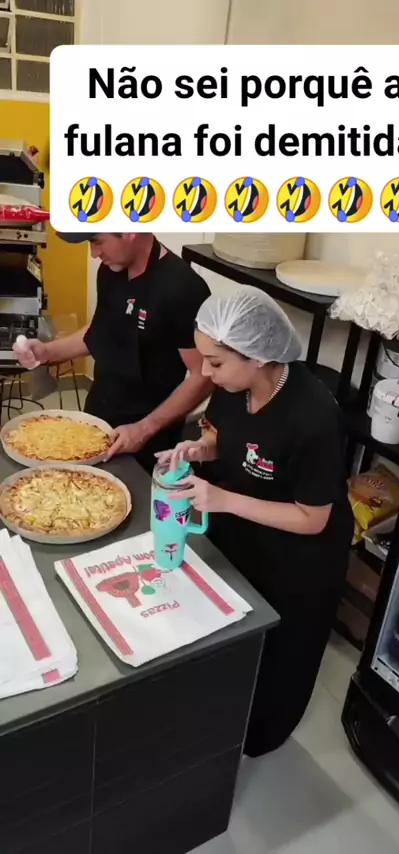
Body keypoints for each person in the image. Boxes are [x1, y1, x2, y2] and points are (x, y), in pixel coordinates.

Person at [157, 285, 354, 758]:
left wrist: (222, 498)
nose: (205, 373)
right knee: (230, 632)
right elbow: (220, 437)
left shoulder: (313, 417)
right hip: (242, 527)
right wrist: (198, 449)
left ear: (259, 356)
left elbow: (312, 519)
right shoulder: (232, 388)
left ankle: (261, 737)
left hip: (298, 558)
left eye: (215, 363)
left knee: (281, 658)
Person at [14, 233, 212, 473]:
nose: (94, 254)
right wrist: (48, 351)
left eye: (97, 241)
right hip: (97, 416)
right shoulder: (110, 271)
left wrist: (144, 429)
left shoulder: (182, 288)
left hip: (149, 433)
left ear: (129, 232)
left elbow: (203, 375)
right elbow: (101, 332)